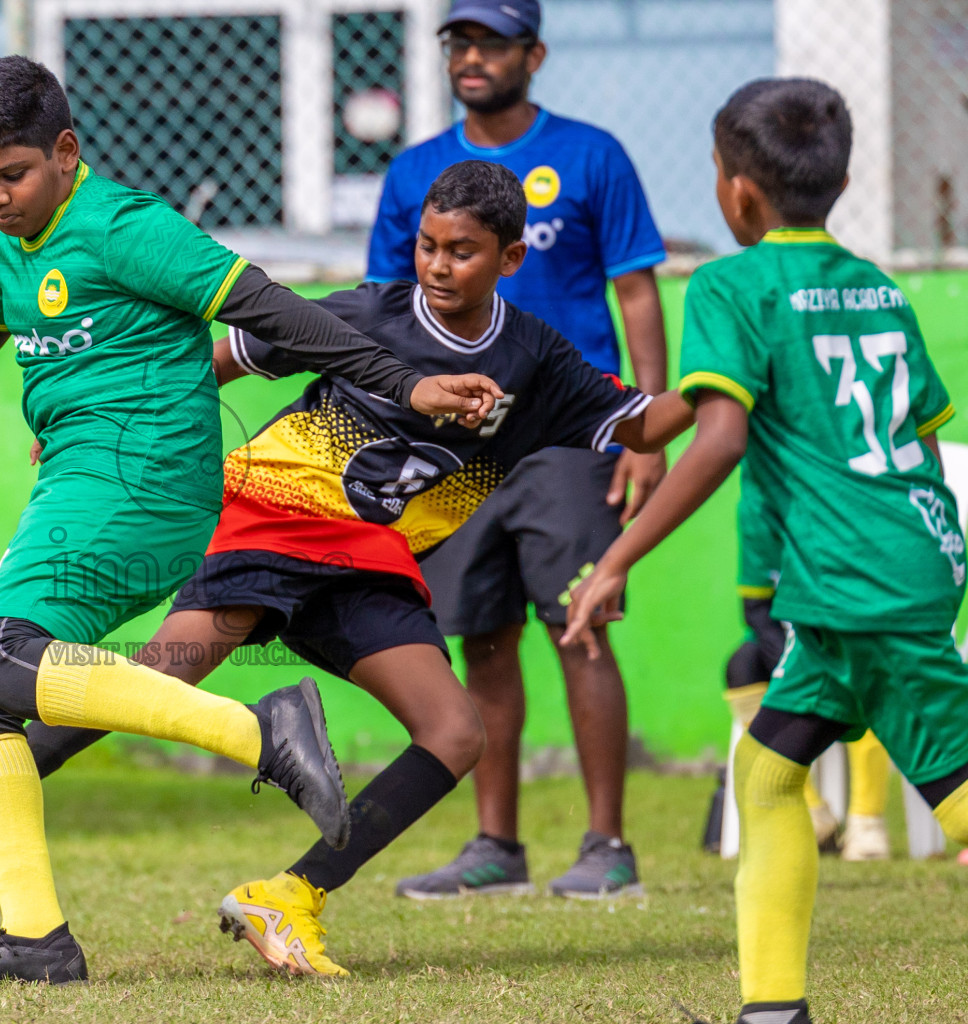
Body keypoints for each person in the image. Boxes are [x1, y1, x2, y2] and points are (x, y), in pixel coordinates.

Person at [0, 160, 694, 977]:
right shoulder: (365, 314)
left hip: (371, 564)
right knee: (158, 679)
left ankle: (291, 896)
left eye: (463, 251)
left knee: (454, 733)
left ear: (510, 260)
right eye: (428, 245)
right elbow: (215, 359)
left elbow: (647, 424)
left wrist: (725, 385)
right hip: (275, 517)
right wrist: (106, 413)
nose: (439, 266)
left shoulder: (538, 362)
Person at [0, 56, 501, 987]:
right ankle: (37, 938)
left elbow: (270, 312)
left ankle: (263, 732)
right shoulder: (15, 250)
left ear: (65, 150)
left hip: (145, 482)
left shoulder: (126, 228)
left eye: (10, 175)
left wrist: (407, 382)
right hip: (84, 486)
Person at [562, 78, 968, 1024]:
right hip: (891, 559)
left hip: (858, 577)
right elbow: (907, 420)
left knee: (956, 790)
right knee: (770, 772)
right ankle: (772, 1009)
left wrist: (619, 557)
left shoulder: (731, 283)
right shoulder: (877, 285)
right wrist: (620, 422)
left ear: (736, 190)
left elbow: (722, 438)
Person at [373, 0, 671, 900]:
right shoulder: (415, 170)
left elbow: (640, 296)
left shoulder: (592, 156)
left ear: (533, 54)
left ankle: (607, 846)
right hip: (451, 446)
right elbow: (387, 312)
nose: (471, 56)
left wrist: (648, 429)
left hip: (565, 438)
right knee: (483, 638)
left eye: (491, 42)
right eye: (458, 41)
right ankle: (495, 845)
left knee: (579, 625)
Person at [723, 496, 894, 860]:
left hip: (854, 632)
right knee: (740, 666)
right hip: (791, 642)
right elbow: (755, 608)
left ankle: (866, 820)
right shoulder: (757, 508)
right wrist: (794, 659)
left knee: (863, 669)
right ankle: (811, 813)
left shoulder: (849, 498)